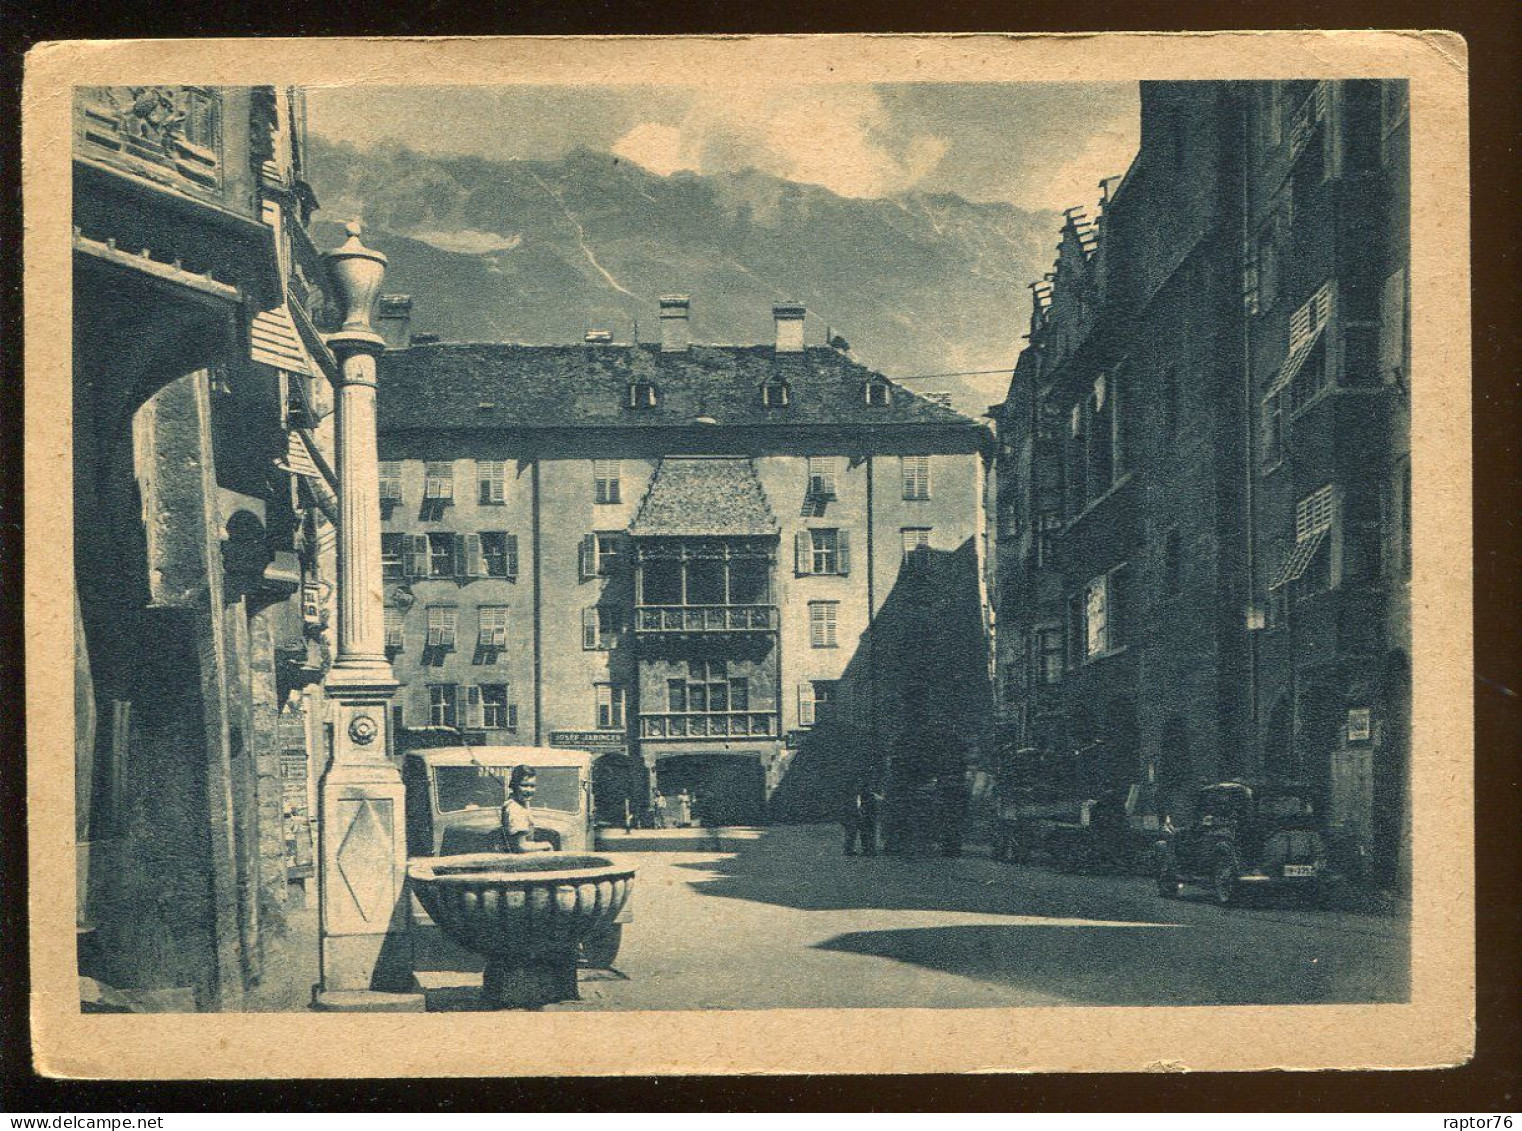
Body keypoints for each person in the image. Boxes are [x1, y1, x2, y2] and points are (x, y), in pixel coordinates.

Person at [500, 765, 553, 853]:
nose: (529, 790)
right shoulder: (516, 809)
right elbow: (521, 846)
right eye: (524, 785)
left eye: (532, 786)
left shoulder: (519, 803)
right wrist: (546, 845)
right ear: (514, 785)